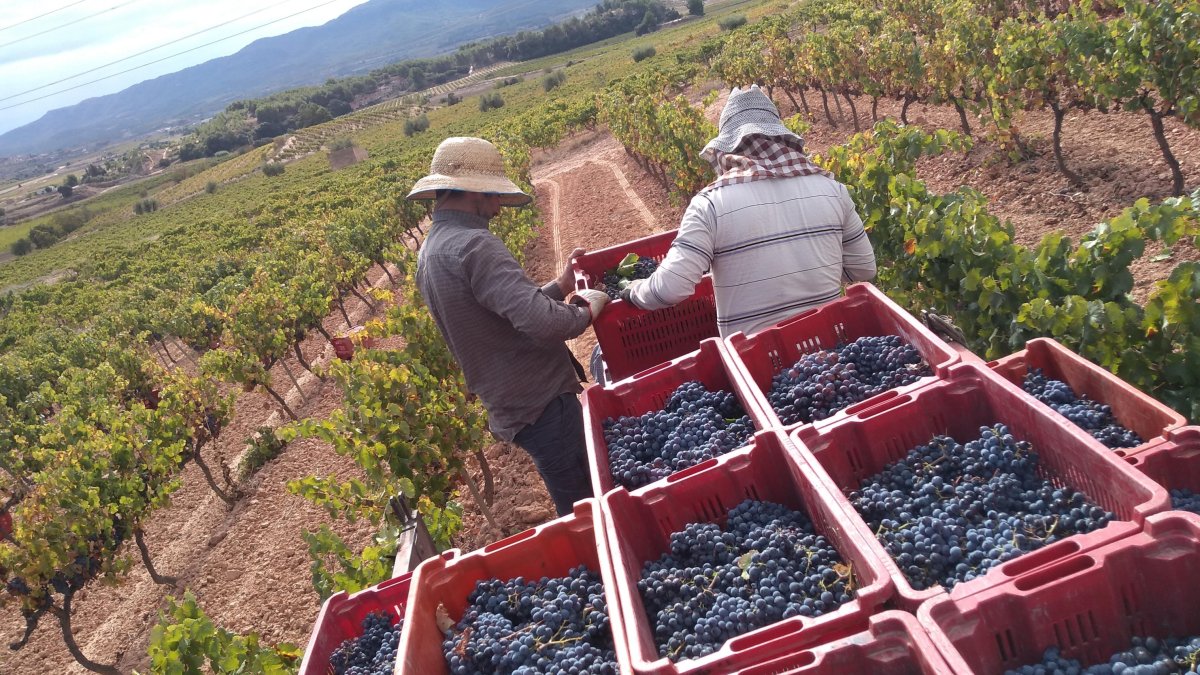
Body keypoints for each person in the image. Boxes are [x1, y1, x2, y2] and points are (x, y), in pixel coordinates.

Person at [407, 136, 610, 517]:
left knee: (580, 500)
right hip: (543, 403)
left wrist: (562, 287)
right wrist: (585, 310)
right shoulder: (475, 245)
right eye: (494, 193)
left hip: (515, 407)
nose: (499, 203)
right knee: (589, 505)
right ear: (474, 193)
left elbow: (503, 311)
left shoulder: (433, 250)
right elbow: (541, 322)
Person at [621, 84, 877, 338]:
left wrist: (633, 291)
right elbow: (864, 270)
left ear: (726, 149)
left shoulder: (710, 204)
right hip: (833, 351)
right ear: (783, 139)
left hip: (757, 361)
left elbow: (670, 288)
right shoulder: (832, 190)